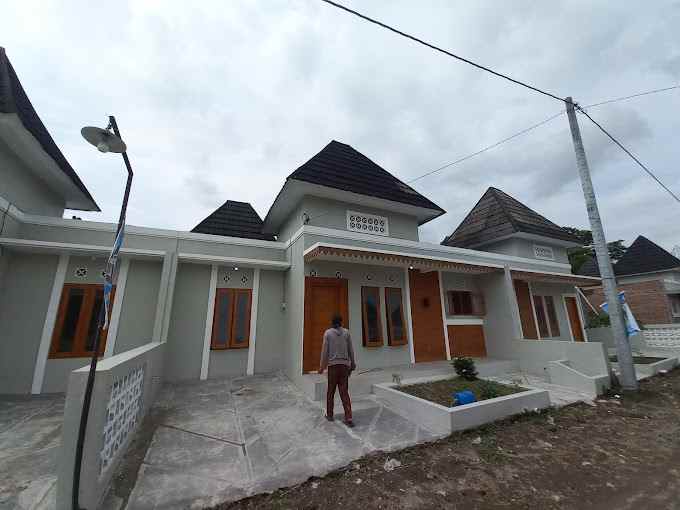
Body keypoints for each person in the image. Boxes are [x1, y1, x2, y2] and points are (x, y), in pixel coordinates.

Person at [318, 314, 356, 427]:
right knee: (344, 392)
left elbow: (324, 352)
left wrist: (321, 367)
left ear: (332, 322)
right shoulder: (347, 333)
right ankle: (349, 418)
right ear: (341, 322)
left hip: (333, 367)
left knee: (330, 391)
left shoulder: (328, 333)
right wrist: (352, 363)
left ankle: (330, 415)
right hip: (344, 367)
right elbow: (351, 350)